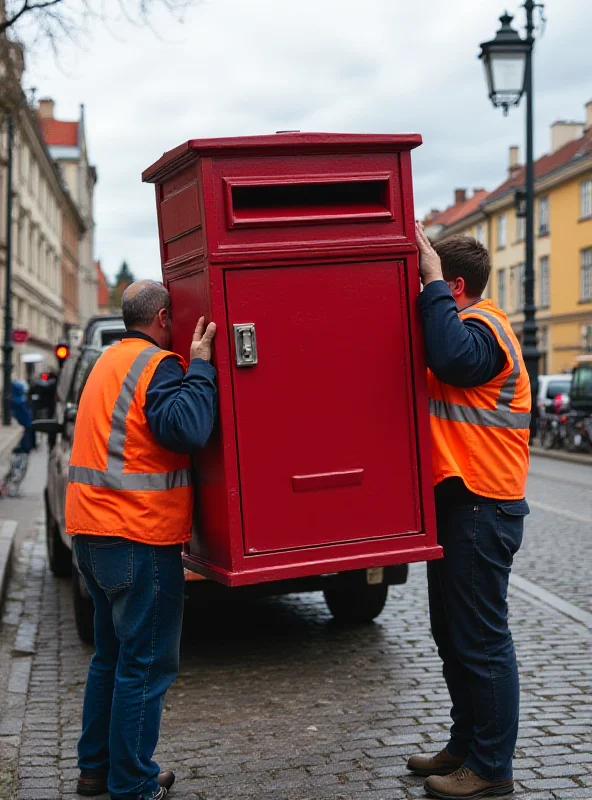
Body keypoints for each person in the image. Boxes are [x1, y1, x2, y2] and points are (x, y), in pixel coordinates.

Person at [65, 280, 217, 800]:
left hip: (92, 533)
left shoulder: (107, 362)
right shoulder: (159, 366)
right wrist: (200, 367)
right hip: (138, 534)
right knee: (146, 663)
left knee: (111, 657)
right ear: (161, 318)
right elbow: (189, 429)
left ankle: (96, 770)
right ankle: (132, 783)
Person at [406, 225, 530, 800]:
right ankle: (465, 745)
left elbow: (454, 359)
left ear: (455, 285)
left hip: (484, 503)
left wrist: (429, 280)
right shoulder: (459, 322)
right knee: (452, 634)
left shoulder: (484, 329)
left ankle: (490, 769)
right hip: (460, 501)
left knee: (481, 640)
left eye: (430, 283)